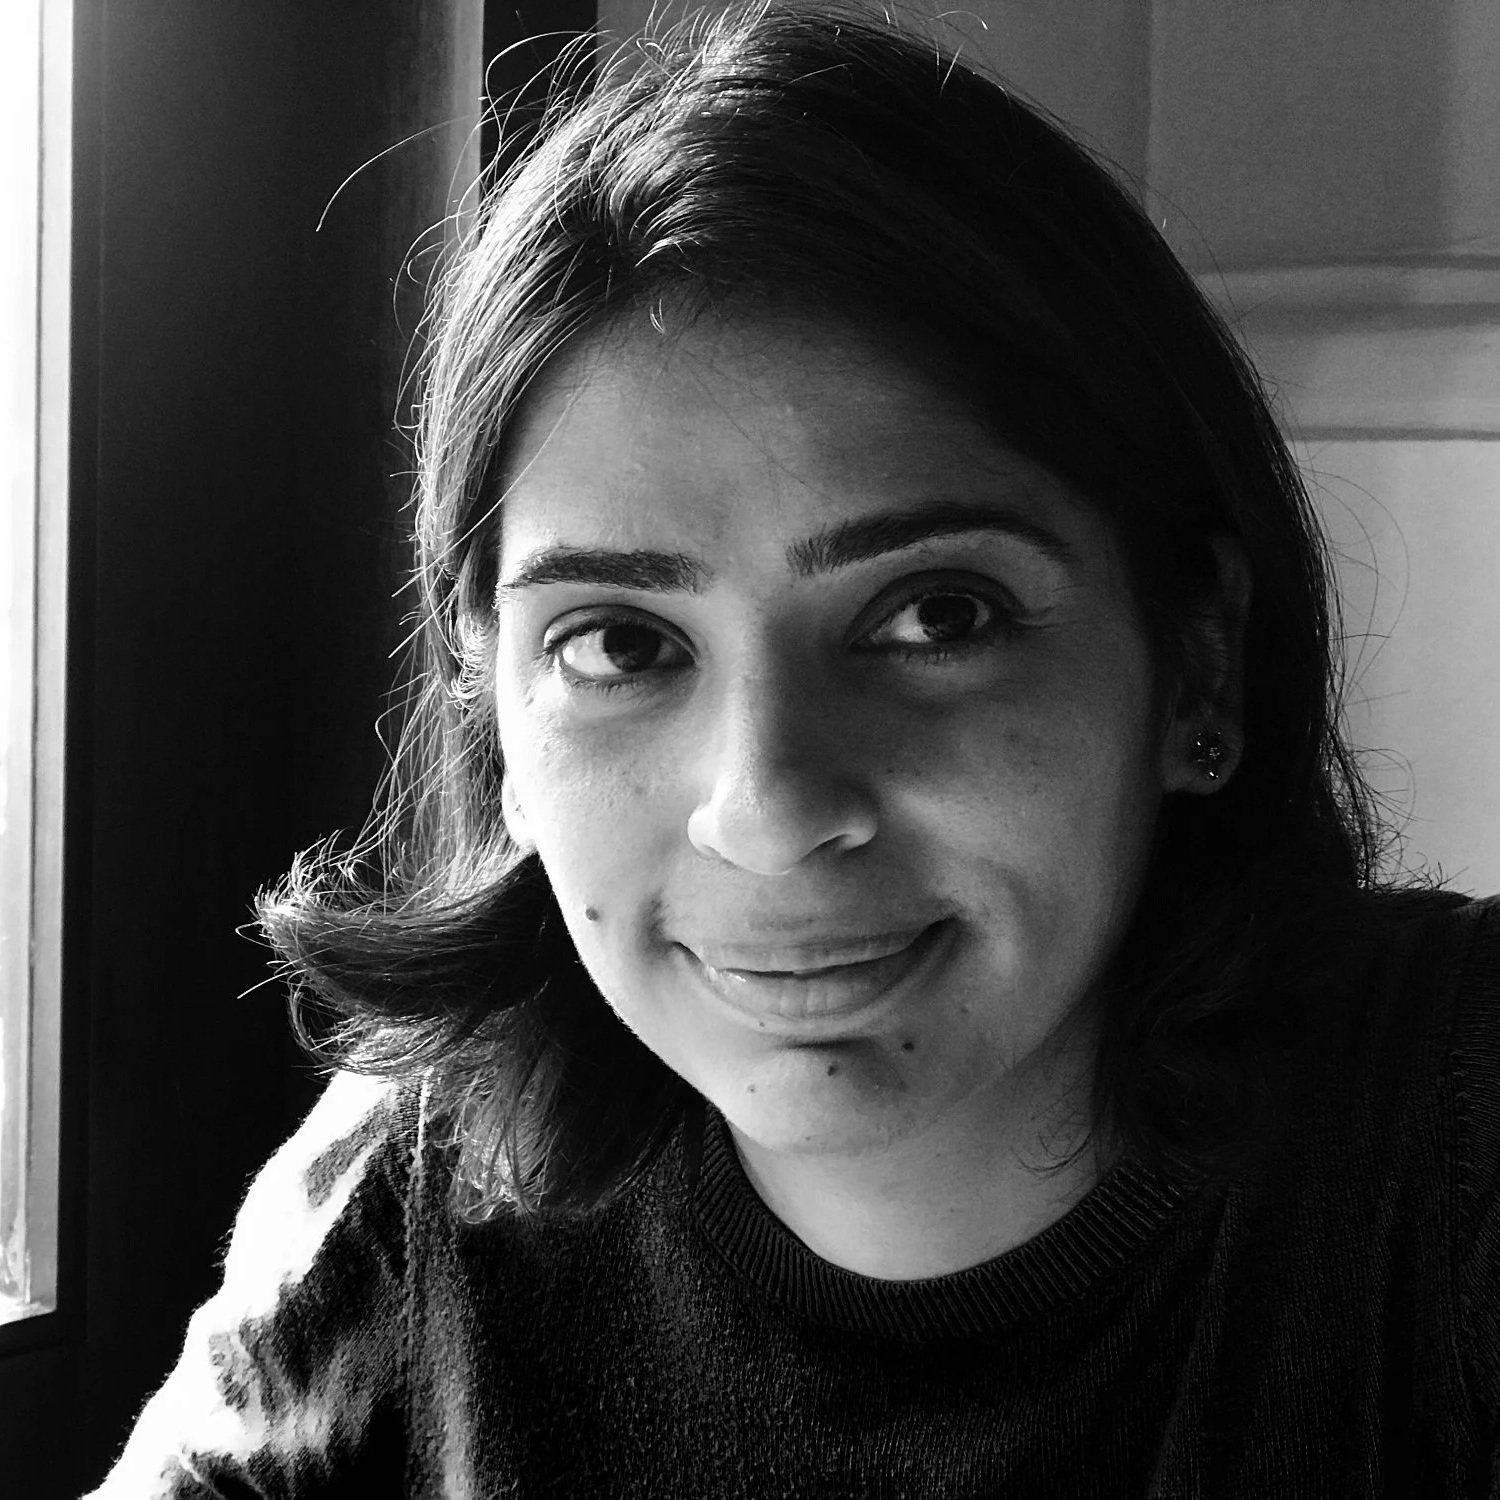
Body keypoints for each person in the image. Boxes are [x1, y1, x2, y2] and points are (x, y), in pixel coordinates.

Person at [88, 3, 1498, 1495]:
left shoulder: (1455, 1135)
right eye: (621, 644)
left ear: (1195, 658)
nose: (765, 806)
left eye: (938, 616)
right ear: (489, 702)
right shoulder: (421, 1186)